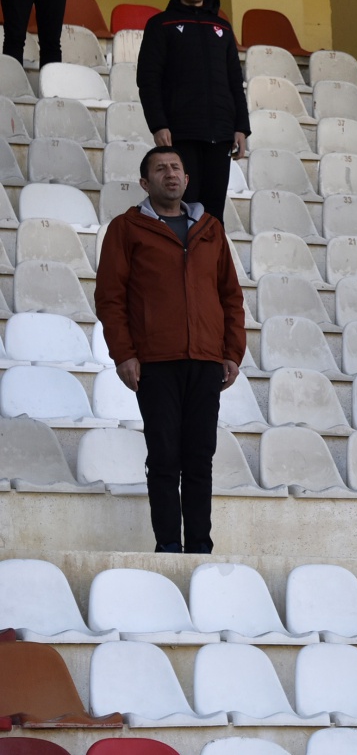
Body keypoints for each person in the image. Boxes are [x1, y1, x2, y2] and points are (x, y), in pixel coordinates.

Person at [94, 146, 245, 554]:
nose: (170, 174)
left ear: (187, 179)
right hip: (155, 362)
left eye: (176, 167)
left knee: (199, 459)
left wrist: (232, 352)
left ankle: (199, 548)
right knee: (164, 459)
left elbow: (230, 295)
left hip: (205, 360)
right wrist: (123, 353)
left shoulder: (210, 228)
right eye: (160, 169)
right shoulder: (126, 229)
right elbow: (110, 298)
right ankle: (168, 548)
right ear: (146, 183)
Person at [135, 0, 250, 223]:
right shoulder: (161, 24)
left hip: (220, 135)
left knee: (212, 217)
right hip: (181, 133)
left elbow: (235, 81)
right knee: (184, 211)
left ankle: (209, 265)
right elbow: (148, 79)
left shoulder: (222, 26)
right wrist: (158, 124)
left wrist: (241, 127)